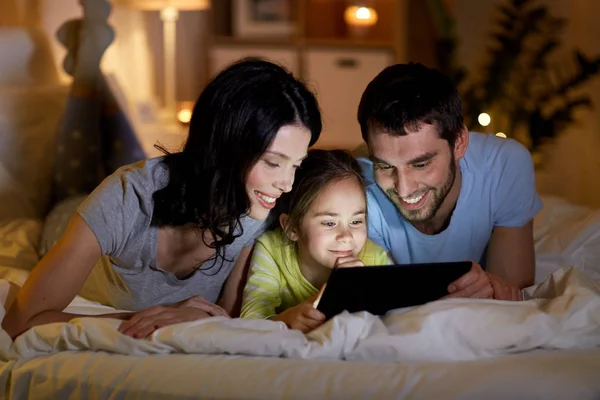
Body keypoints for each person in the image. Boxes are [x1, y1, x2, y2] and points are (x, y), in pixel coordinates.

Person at [2, 58, 322, 339]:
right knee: (73, 177)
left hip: (174, 181)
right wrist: (145, 319)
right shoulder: (127, 199)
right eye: (273, 162)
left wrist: (195, 317)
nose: (287, 183)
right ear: (226, 148)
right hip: (66, 217)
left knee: (113, 149)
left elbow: (227, 317)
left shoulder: (259, 211)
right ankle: (88, 68)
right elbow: (21, 322)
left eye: (296, 164)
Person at [356, 62, 542, 301]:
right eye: (384, 166)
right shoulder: (355, 186)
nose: (404, 188)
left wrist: (494, 286)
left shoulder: (504, 164)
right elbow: (376, 301)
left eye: (420, 164)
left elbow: (512, 295)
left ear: (459, 143)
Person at [240, 149, 390, 333]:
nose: (346, 236)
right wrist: (285, 319)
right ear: (292, 228)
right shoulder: (272, 249)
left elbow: (394, 319)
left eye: (356, 221)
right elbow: (250, 320)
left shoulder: (374, 258)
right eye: (329, 223)